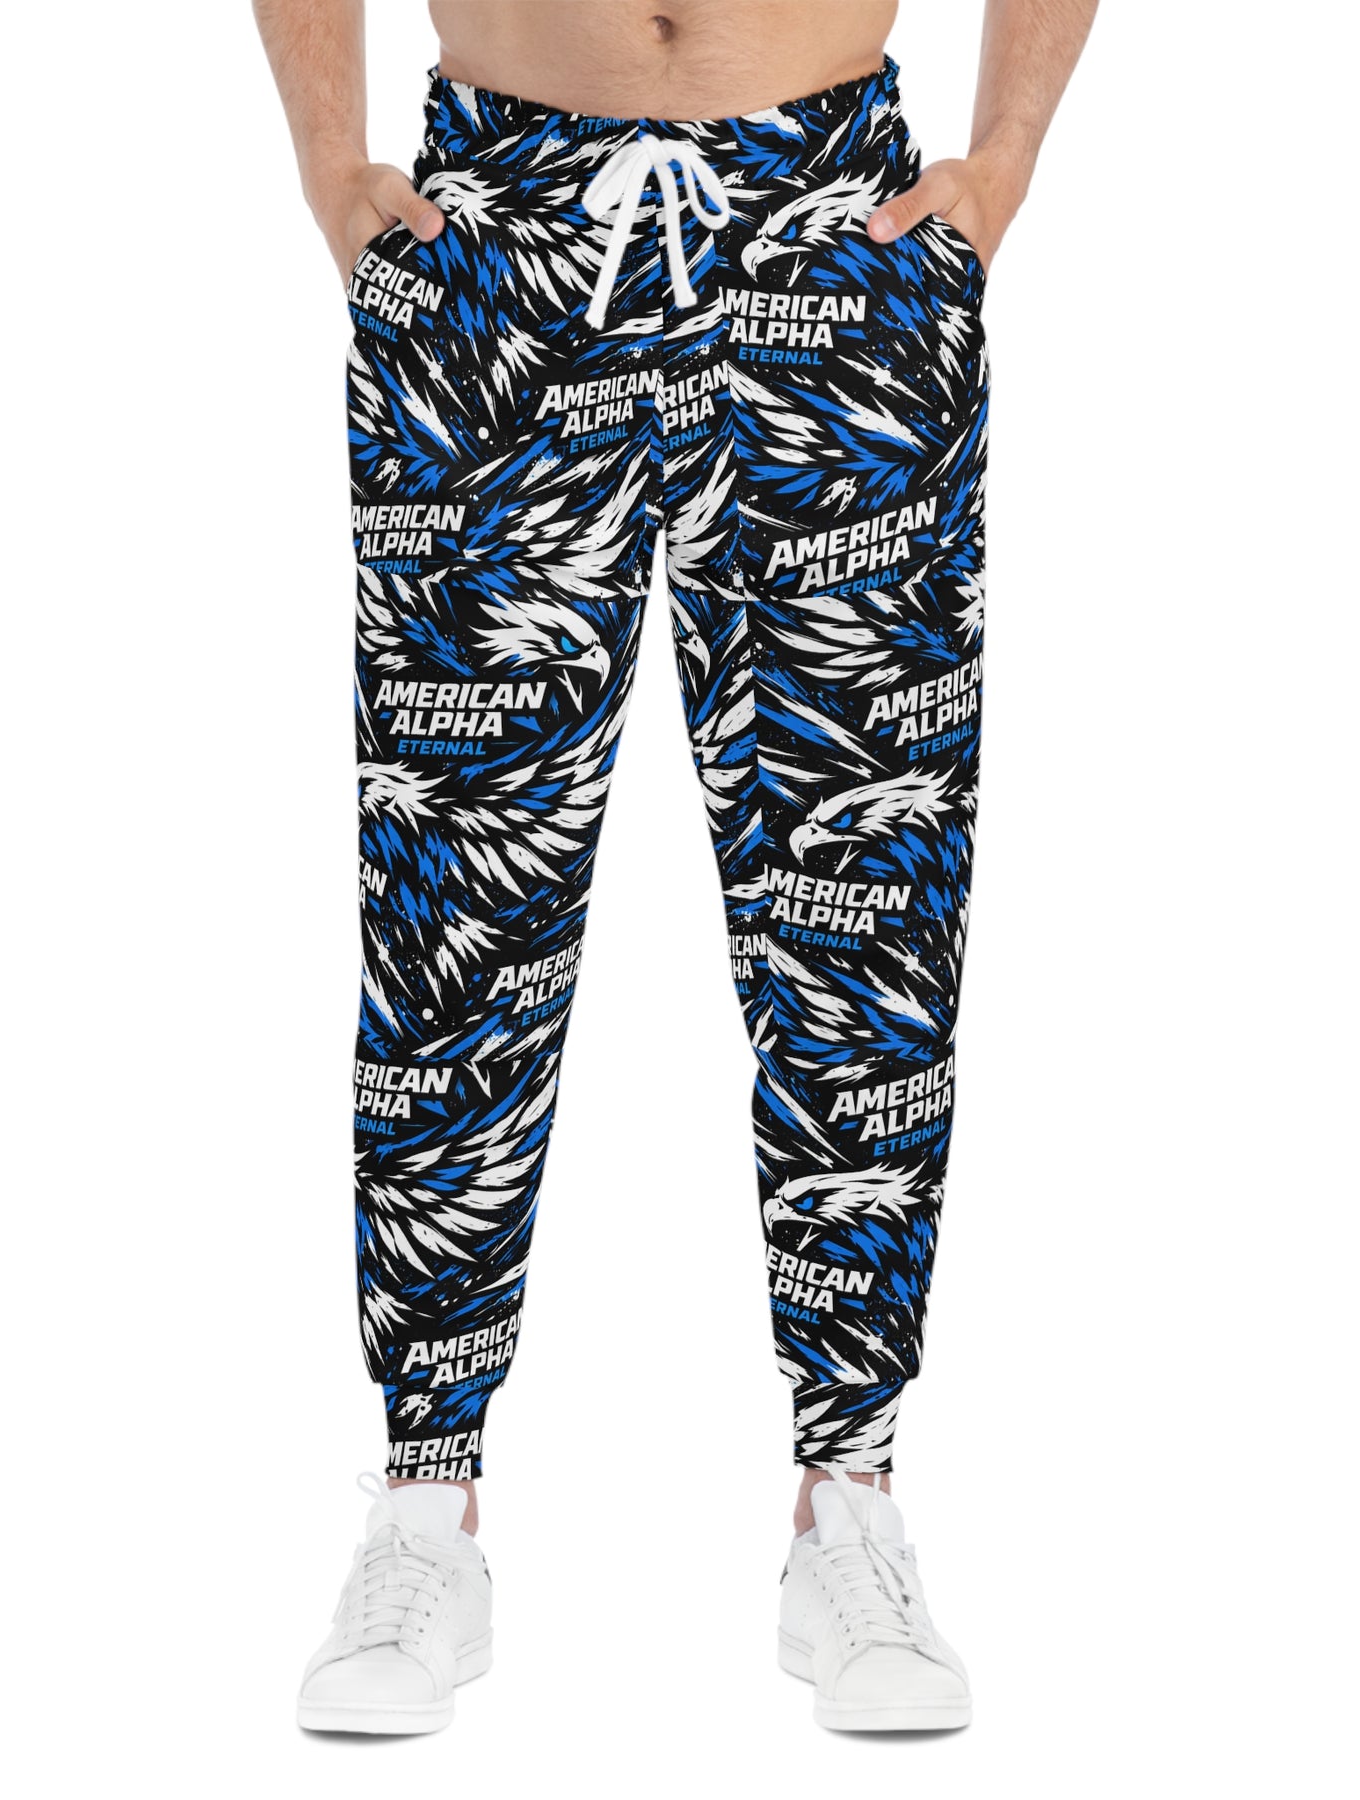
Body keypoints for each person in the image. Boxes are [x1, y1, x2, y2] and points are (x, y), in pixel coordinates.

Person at [253, 0, 1096, 1735]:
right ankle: (424, 1508)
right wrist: (330, 160)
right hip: (502, 232)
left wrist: (1006, 156)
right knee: (455, 894)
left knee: (863, 893)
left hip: (829, 222)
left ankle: (848, 1500)